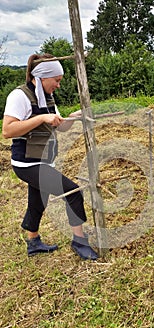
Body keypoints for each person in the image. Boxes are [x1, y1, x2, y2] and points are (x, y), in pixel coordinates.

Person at [2, 53, 98, 261]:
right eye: (57, 80)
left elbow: (60, 126)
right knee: (73, 192)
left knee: (38, 200)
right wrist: (42, 118)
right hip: (27, 163)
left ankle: (33, 241)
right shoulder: (19, 96)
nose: (59, 85)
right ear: (43, 77)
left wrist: (72, 117)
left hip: (43, 160)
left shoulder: (47, 97)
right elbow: (8, 130)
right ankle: (79, 241)